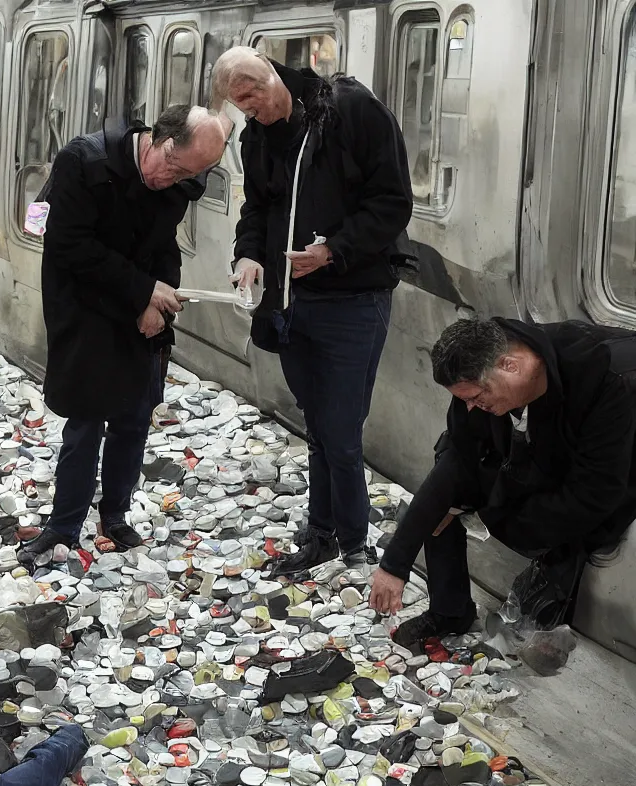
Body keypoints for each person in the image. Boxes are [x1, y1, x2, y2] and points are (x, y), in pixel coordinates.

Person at [211, 48, 413, 574]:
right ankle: (323, 533)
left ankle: (352, 544)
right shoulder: (257, 137)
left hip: (352, 299)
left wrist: (333, 250)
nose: (251, 112)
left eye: (253, 98)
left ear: (271, 75)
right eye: (241, 106)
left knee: (342, 431)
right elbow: (256, 205)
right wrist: (249, 254)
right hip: (289, 304)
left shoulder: (352, 111)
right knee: (319, 426)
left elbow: (392, 202)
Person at [18, 105, 227, 570]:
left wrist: (161, 304)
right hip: (86, 308)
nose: (170, 181)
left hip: (140, 311)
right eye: (171, 166)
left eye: (185, 176)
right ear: (157, 138)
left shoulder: (177, 181)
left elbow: (164, 245)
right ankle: (64, 525)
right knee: (86, 421)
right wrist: (142, 294)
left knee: (135, 417)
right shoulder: (84, 162)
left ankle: (114, 514)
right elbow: (68, 245)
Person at [369, 316, 636, 643]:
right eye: (464, 399)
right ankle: (450, 611)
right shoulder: (483, 363)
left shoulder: (609, 377)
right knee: (440, 503)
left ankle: (550, 585)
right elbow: (458, 454)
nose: (470, 407)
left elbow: (595, 494)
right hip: (540, 455)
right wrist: (395, 564)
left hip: (608, 477)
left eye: (477, 397)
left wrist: (490, 517)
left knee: (561, 539)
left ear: (510, 365)